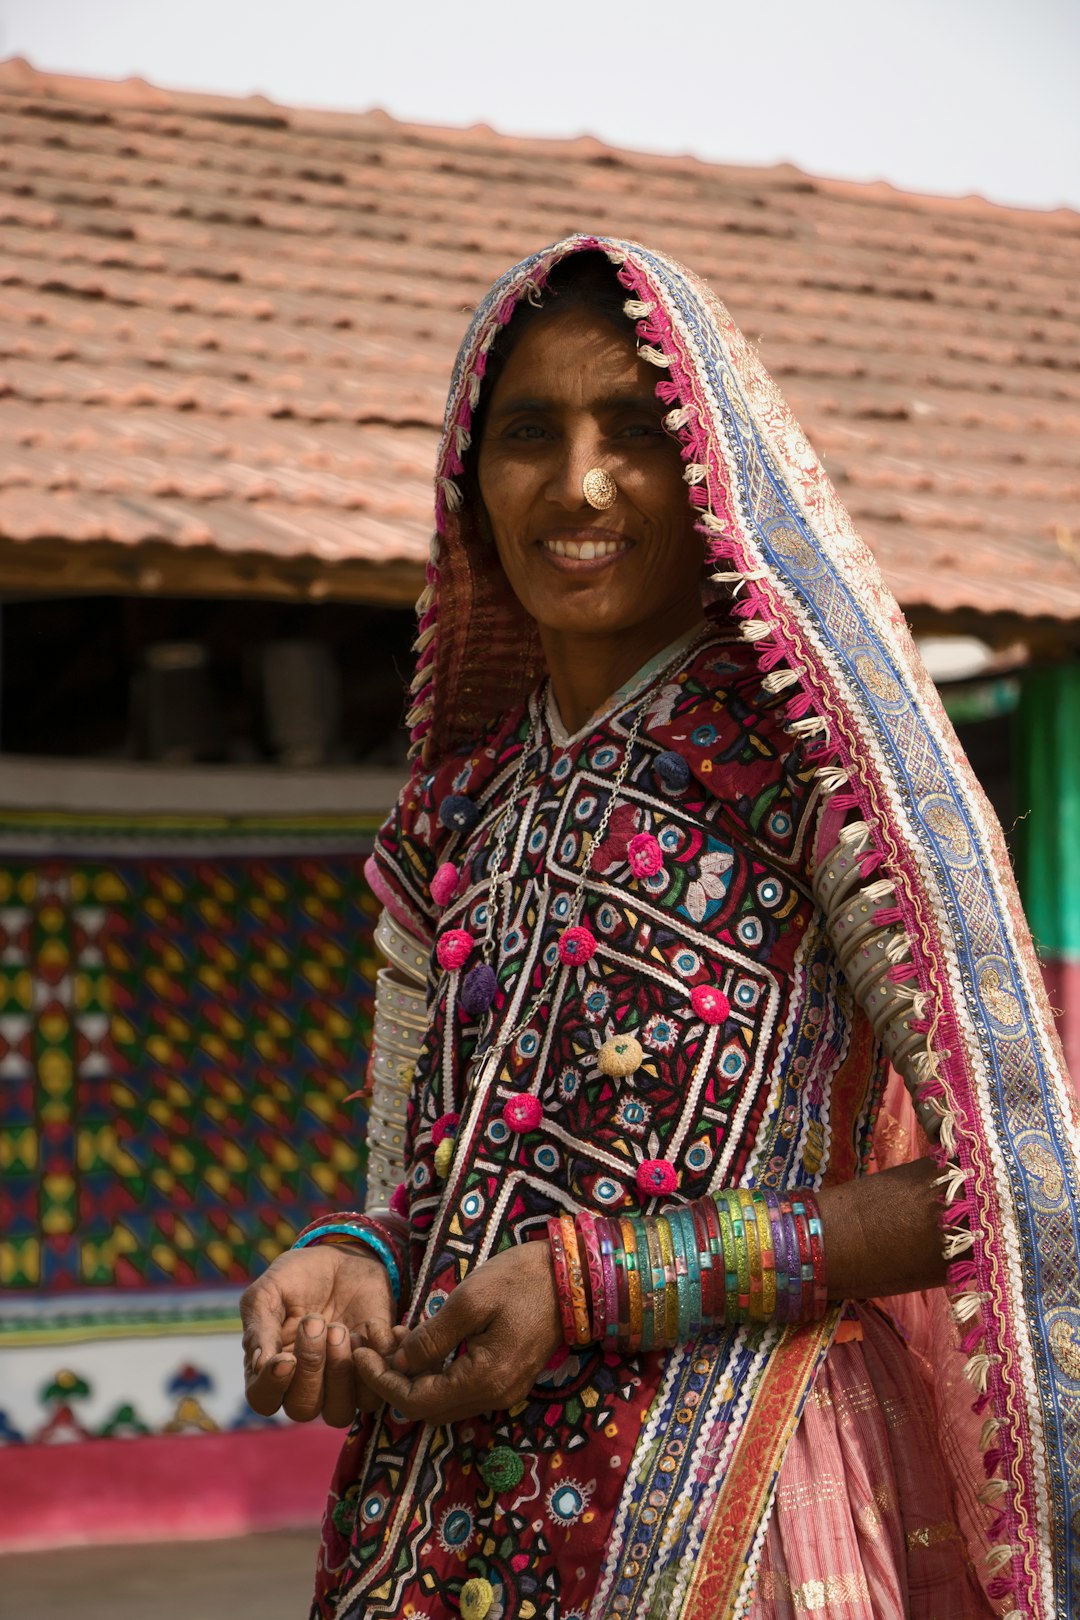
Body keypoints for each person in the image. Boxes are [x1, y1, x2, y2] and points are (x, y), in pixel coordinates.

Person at [240, 237, 1079, 1620]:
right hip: (446, 1509)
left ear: (709, 471)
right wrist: (355, 1262)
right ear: (470, 482)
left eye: (633, 431)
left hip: (750, 1500)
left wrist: (601, 1284)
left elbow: (1009, 1185)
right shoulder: (457, 813)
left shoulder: (828, 785)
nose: (578, 484)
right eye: (530, 434)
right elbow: (419, 1184)